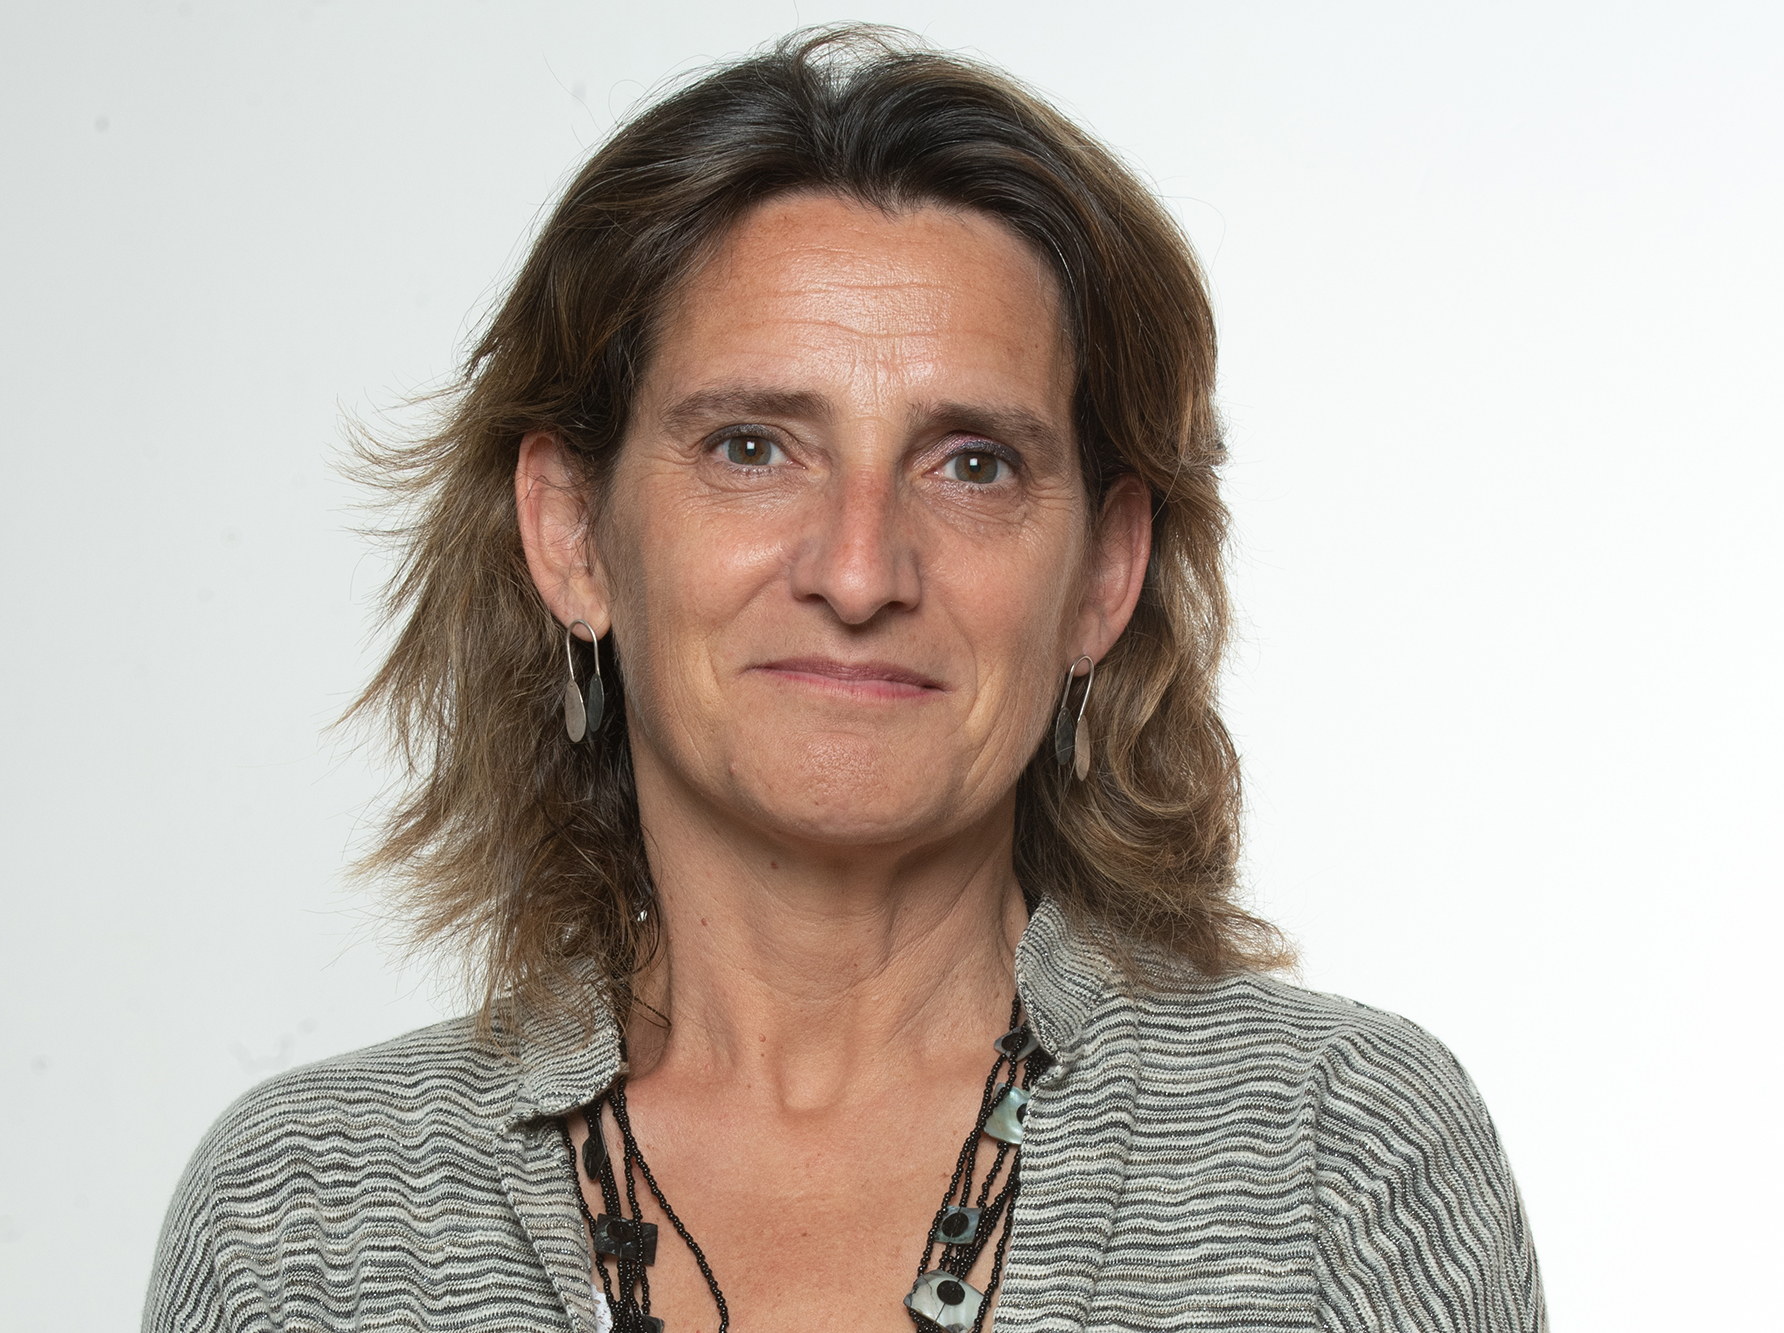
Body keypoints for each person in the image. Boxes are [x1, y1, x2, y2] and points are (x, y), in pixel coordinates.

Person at [145, 27, 1544, 1333]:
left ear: (1104, 574)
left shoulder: (1333, 1157)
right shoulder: (308, 1225)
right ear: (572, 534)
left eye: (972, 463)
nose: (862, 571)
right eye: (753, 447)